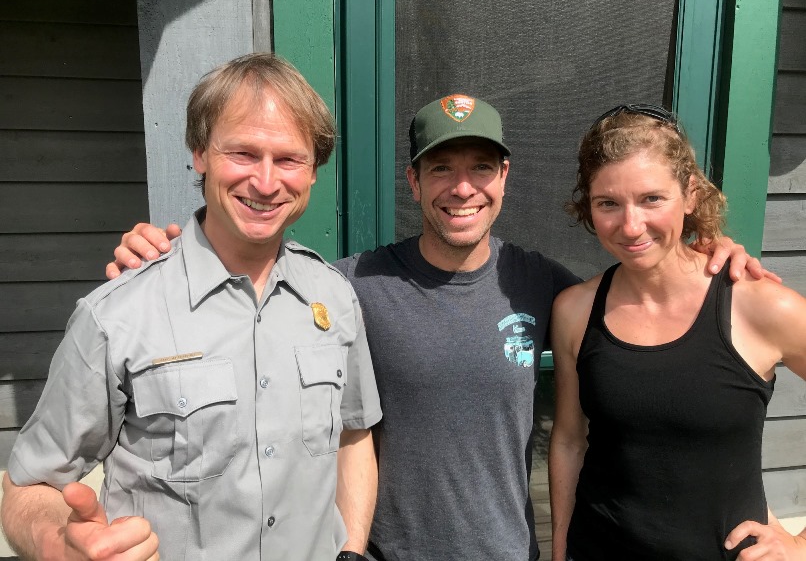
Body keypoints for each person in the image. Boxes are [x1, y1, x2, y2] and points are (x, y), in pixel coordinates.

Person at [106, 94, 770, 561]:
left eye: (481, 167)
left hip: (508, 550)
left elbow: (644, 305)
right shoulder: (348, 285)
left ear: (504, 177)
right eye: (442, 169)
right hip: (383, 552)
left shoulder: (547, 288)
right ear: (414, 180)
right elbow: (245, 286)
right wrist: (167, 252)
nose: (462, 187)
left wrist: (714, 249)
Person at [1, 53, 382, 561]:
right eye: (243, 154)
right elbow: (28, 484)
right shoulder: (117, 315)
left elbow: (353, 435)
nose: (267, 183)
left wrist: (352, 551)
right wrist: (60, 546)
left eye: (289, 159)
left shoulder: (333, 296)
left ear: (313, 172)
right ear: (200, 153)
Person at [548, 104, 806, 561]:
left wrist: (802, 545)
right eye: (608, 202)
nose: (631, 226)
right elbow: (569, 440)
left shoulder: (759, 305)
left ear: (690, 195)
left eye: (652, 199)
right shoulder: (575, 310)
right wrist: (562, 551)